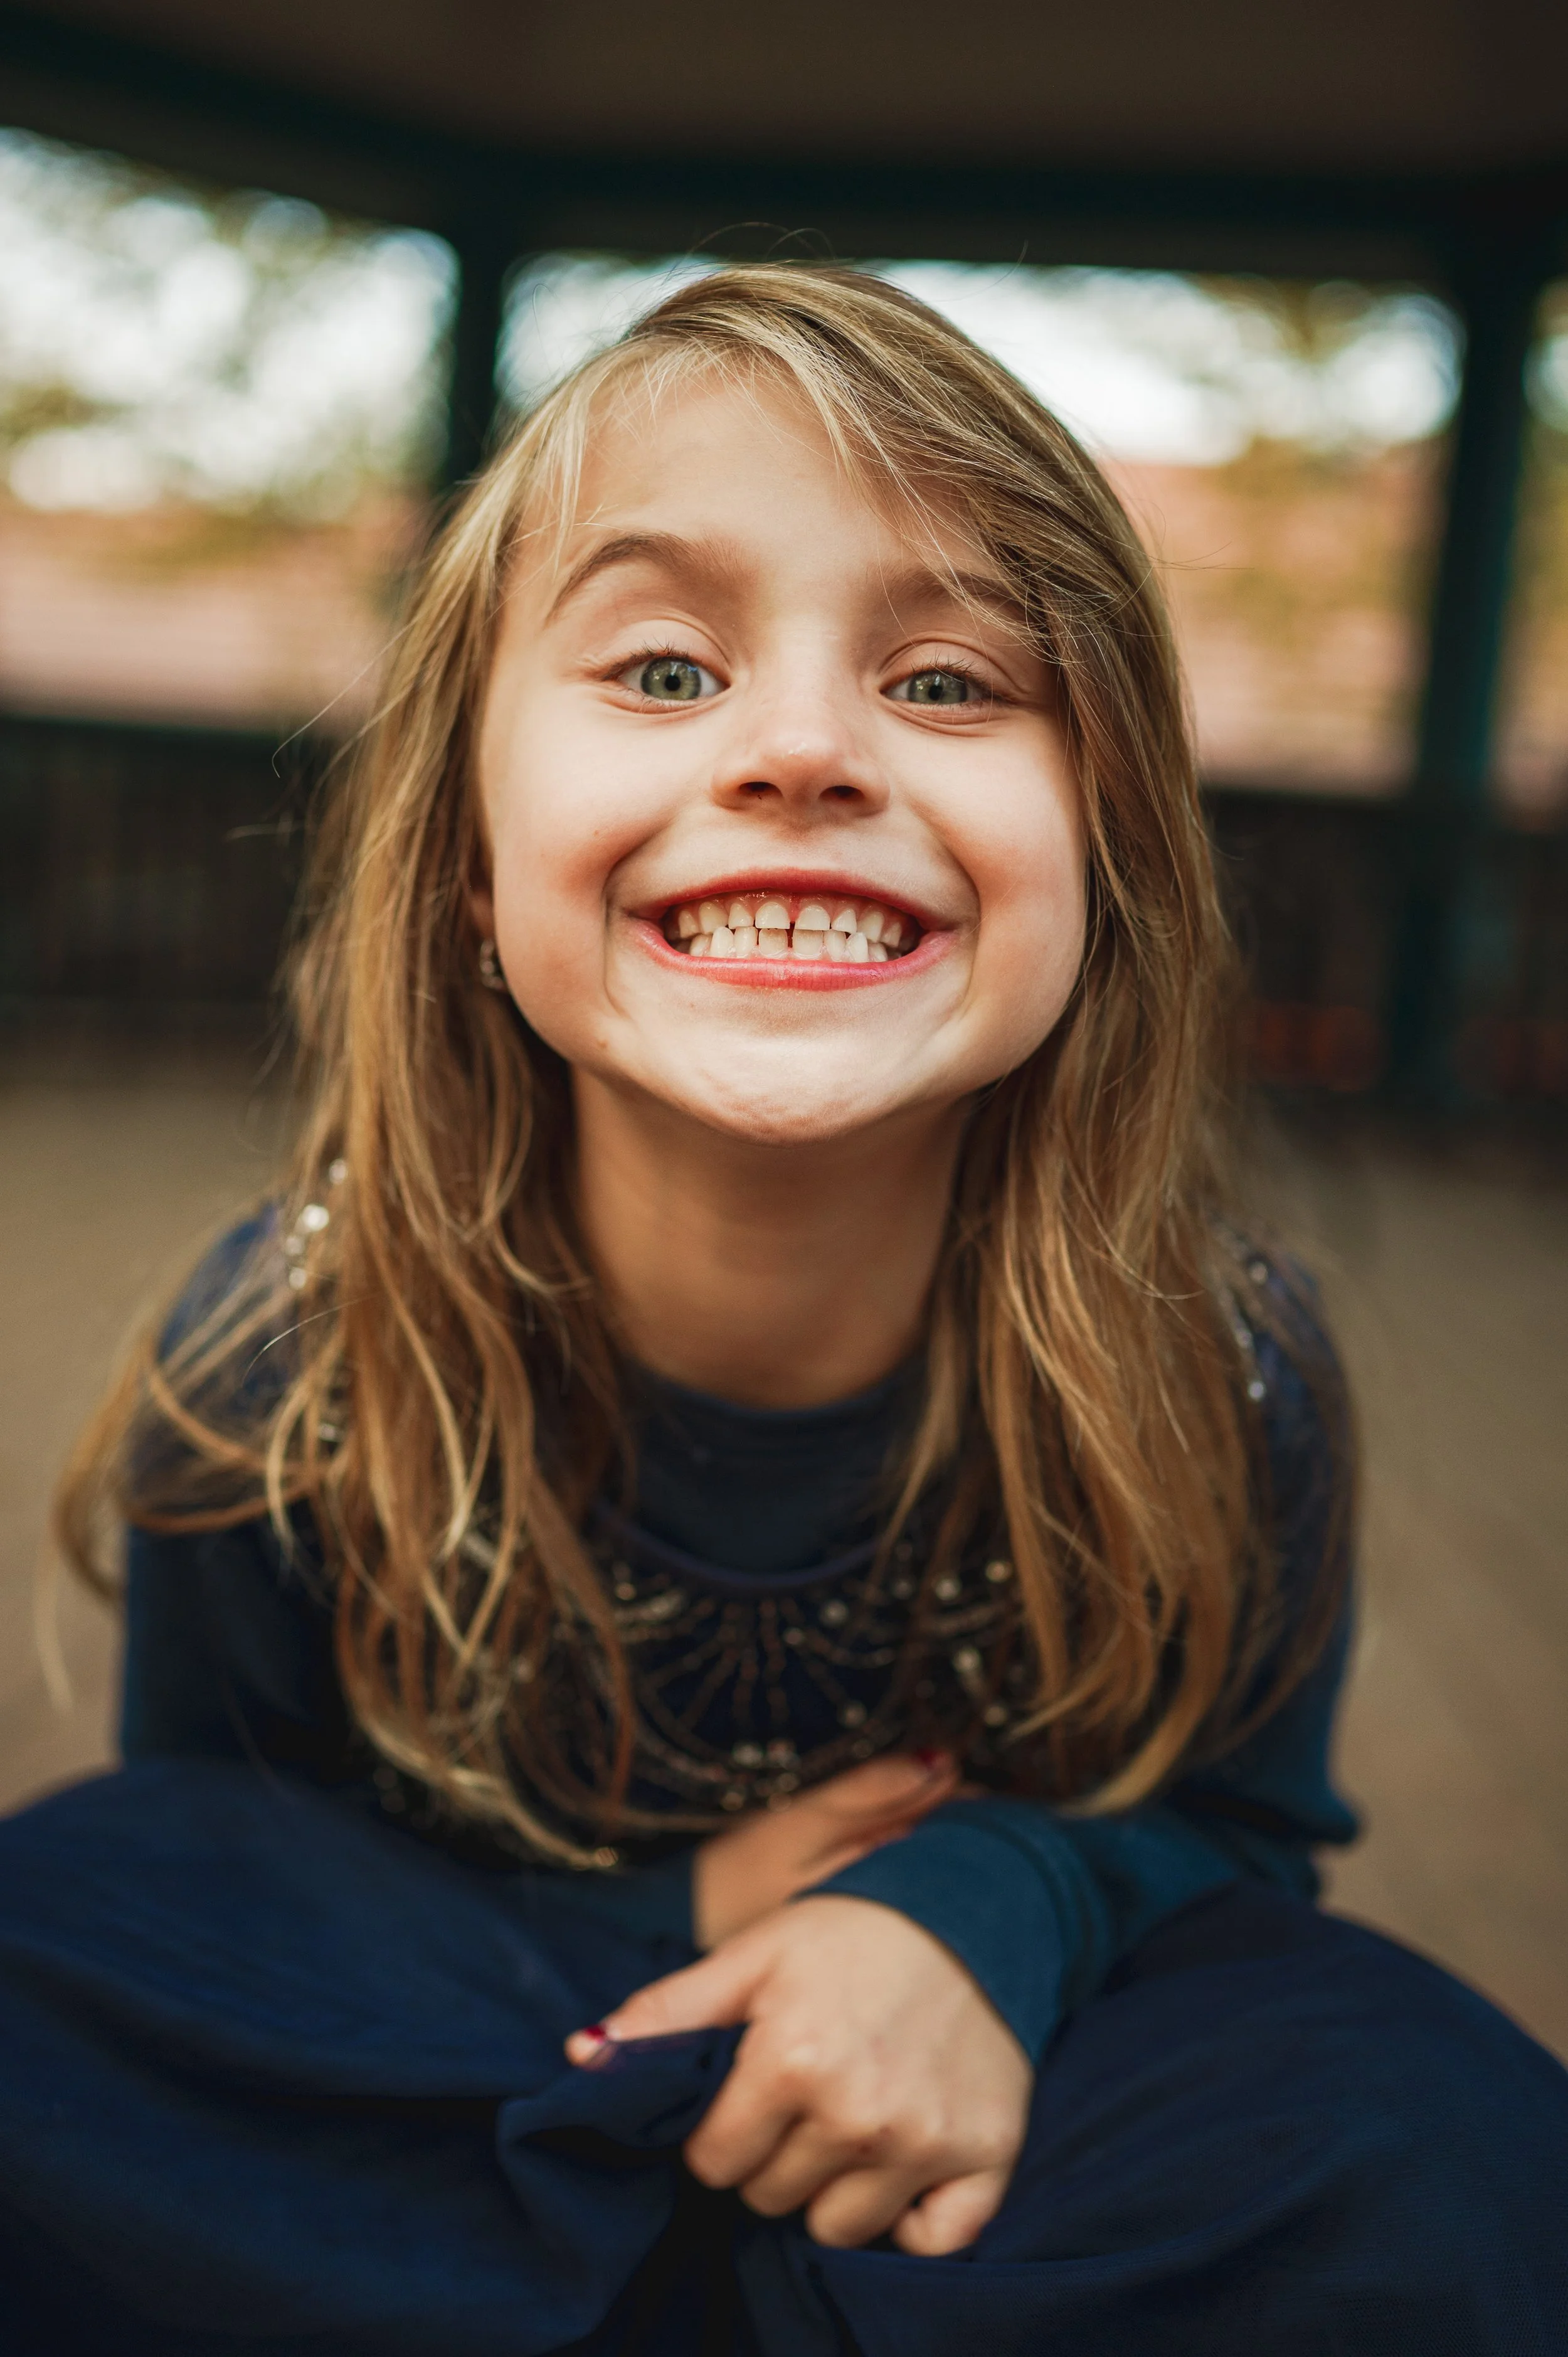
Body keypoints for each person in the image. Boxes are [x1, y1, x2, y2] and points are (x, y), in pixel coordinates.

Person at [3, 266, 1564, 2357]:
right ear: (469, 859)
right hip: (464, 2080)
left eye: (945, 682)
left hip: (972, 2116)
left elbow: (1241, 1834)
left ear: (1099, 861)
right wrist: (693, 1924)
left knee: (1432, 2134)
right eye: (661, 668)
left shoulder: (1219, 1367)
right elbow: (229, 1899)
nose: (805, 748)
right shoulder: (287, 1352)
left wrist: (980, 1906)